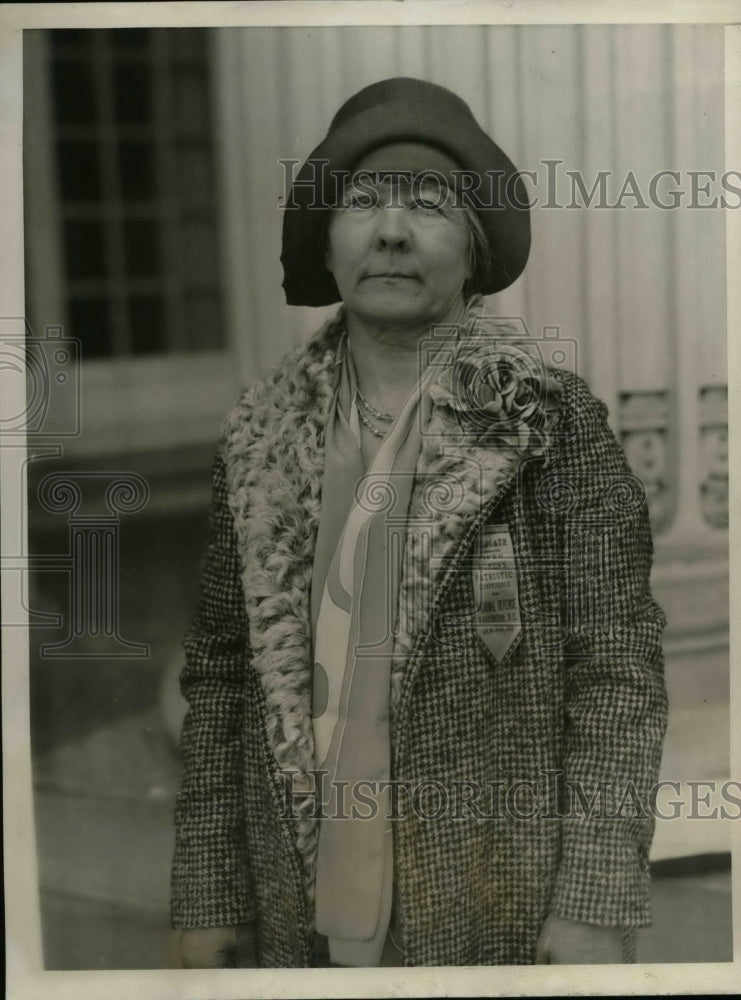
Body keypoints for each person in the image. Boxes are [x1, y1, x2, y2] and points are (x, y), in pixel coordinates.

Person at [170, 77, 668, 969]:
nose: (391, 231)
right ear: (327, 243)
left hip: (493, 898)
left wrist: (595, 894)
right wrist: (208, 890)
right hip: (298, 899)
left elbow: (617, 674)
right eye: (362, 203)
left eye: (429, 206)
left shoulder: (549, 426)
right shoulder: (258, 442)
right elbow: (218, 678)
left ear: (473, 254)